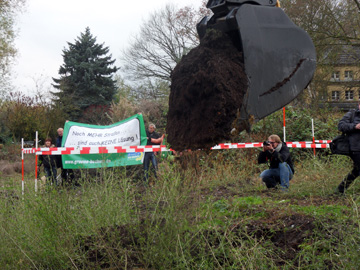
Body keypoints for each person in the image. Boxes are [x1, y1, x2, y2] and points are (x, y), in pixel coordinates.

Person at [335, 101, 360, 194]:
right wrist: (355, 126)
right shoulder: (352, 114)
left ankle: (340, 189)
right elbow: (341, 126)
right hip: (355, 148)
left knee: (357, 170)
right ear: (359, 104)